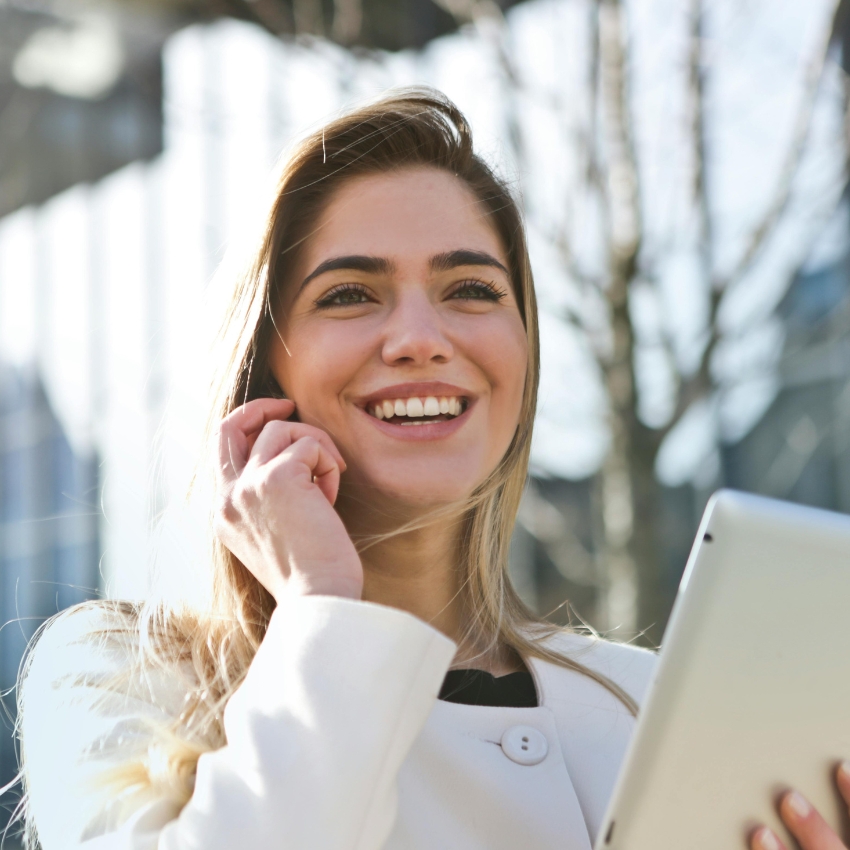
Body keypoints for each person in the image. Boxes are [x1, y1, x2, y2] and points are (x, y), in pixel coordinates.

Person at [13, 88, 850, 850]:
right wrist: (320, 608)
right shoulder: (121, 677)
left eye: (472, 290)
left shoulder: (649, 703)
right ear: (266, 372)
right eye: (349, 294)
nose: (421, 336)